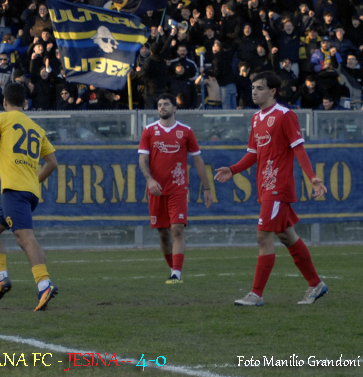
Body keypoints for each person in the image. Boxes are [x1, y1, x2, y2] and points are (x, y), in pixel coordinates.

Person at [214, 71, 328, 306]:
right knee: (287, 236)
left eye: (260, 88)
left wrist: (312, 178)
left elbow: (298, 149)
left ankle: (256, 294)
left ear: (272, 91)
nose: (254, 92)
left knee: (263, 235)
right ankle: (316, 284)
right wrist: (233, 170)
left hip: (278, 185)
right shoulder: (256, 118)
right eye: (253, 88)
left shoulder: (285, 115)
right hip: (265, 186)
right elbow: (253, 154)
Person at [0, 82, 59, 311]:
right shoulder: (36, 129)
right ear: (25, 103)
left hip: (14, 191)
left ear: (4, 102)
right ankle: (2, 278)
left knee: (24, 237)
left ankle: (44, 284)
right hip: (29, 192)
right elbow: (52, 163)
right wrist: (34, 180)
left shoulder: (2, 118)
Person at [138, 93, 212, 284]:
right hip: (156, 190)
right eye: (159, 105)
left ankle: (177, 274)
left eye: (166, 104)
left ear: (175, 108)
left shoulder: (186, 131)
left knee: (177, 229)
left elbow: (198, 160)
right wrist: (150, 180)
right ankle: (173, 268)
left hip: (178, 189)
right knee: (163, 233)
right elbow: (142, 159)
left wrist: (207, 188)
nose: (162, 107)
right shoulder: (149, 130)